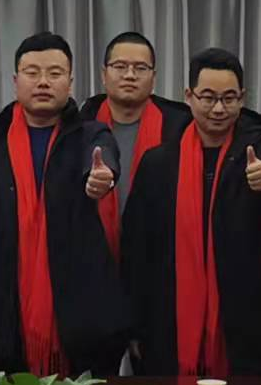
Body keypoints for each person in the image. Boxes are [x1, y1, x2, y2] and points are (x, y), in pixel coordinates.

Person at [123, 48, 261, 377]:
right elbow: (136, 248)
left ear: (242, 98)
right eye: (208, 97)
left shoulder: (258, 147)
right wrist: (134, 325)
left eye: (229, 98)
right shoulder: (159, 162)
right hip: (167, 320)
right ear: (189, 96)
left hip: (243, 324)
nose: (218, 109)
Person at [0, 32, 129, 377]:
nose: (44, 82)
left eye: (55, 73)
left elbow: (104, 155)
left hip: (80, 316)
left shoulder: (90, 133)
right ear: (16, 81)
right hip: (5, 310)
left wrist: (102, 176)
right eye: (32, 73)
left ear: (70, 82)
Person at [81, 31, 192, 259]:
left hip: (159, 257)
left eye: (141, 68)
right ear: (104, 74)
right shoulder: (82, 124)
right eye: (120, 66)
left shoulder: (180, 127)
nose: (130, 75)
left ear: (154, 77)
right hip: (92, 256)